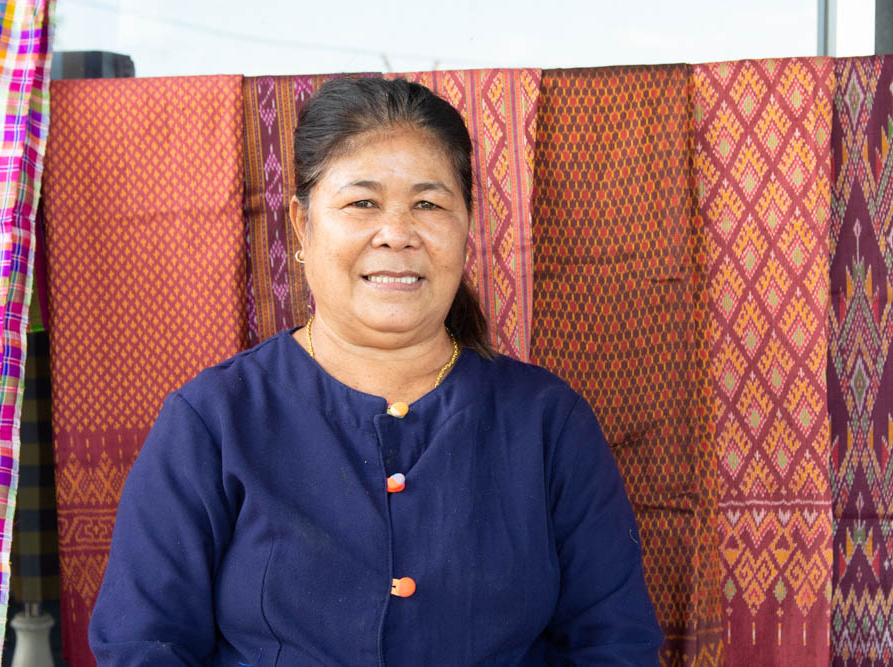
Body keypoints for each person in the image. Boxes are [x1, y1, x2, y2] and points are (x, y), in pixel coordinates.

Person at [89, 77, 663, 665]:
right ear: (302, 226)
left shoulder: (546, 421)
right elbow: (143, 645)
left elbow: (614, 644)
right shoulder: (214, 419)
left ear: (467, 227)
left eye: (428, 204)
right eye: (362, 203)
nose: (397, 235)